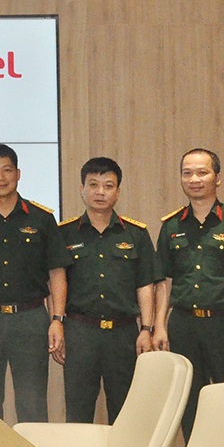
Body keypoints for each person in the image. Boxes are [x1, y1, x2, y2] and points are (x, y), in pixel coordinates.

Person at [153, 148, 224, 439]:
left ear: (217, 178)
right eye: (187, 173)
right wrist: (159, 326)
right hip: (183, 324)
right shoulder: (171, 226)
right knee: (189, 401)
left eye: (202, 172)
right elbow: (164, 281)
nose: (194, 179)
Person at [0, 143, 69, 422]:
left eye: (7, 170)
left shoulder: (42, 219)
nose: (0, 178)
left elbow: (57, 273)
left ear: (18, 174)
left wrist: (57, 319)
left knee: (32, 404)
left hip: (29, 319)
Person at [57, 157, 158, 424]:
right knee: (78, 411)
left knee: (125, 412)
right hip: (79, 332)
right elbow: (56, 284)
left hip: (124, 333)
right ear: (82, 189)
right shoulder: (64, 234)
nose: (100, 192)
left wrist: (146, 329)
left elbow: (145, 284)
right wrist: (58, 325)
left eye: (108, 186)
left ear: (118, 192)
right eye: (93, 185)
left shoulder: (136, 234)